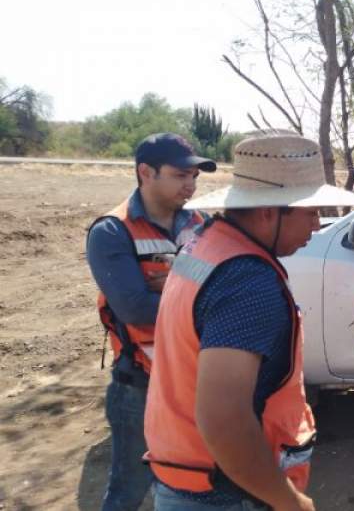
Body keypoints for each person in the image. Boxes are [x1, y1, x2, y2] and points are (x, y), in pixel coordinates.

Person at [142, 130, 354, 510]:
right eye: (310, 212)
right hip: (224, 494)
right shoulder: (248, 281)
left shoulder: (206, 242)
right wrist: (289, 502)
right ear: (268, 211)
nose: (317, 224)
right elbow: (224, 419)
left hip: (184, 473)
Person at [86, 132, 216, 510]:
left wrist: (172, 281)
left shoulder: (200, 223)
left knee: (189, 484)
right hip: (141, 384)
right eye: (180, 175)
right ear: (146, 172)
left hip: (195, 376)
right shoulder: (111, 231)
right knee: (129, 489)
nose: (190, 185)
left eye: (194, 177)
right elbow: (136, 309)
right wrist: (194, 284)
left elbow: (223, 287)